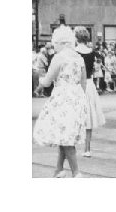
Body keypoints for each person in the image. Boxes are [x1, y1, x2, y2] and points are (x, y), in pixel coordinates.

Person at [33, 25, 88, 178]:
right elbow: (83, 82)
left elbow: (48, 80)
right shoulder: (79, 58)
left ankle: (76, 173)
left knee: (65, 136)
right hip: (77, 97)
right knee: (65, 134)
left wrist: (39, 84)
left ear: (63, 43)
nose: (54, 46)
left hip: (62, 98)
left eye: (56, 43)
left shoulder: (59, 57)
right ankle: (59, 169)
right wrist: (81, 100)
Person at [75, 26, 106, 157]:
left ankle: (71, 147)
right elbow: (97, 65)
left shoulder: (73, 51)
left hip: (76, 85)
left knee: (74, 116)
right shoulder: (92, 52)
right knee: (89, 117)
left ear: (76, 38)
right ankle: (87, 149)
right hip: (89, 84)